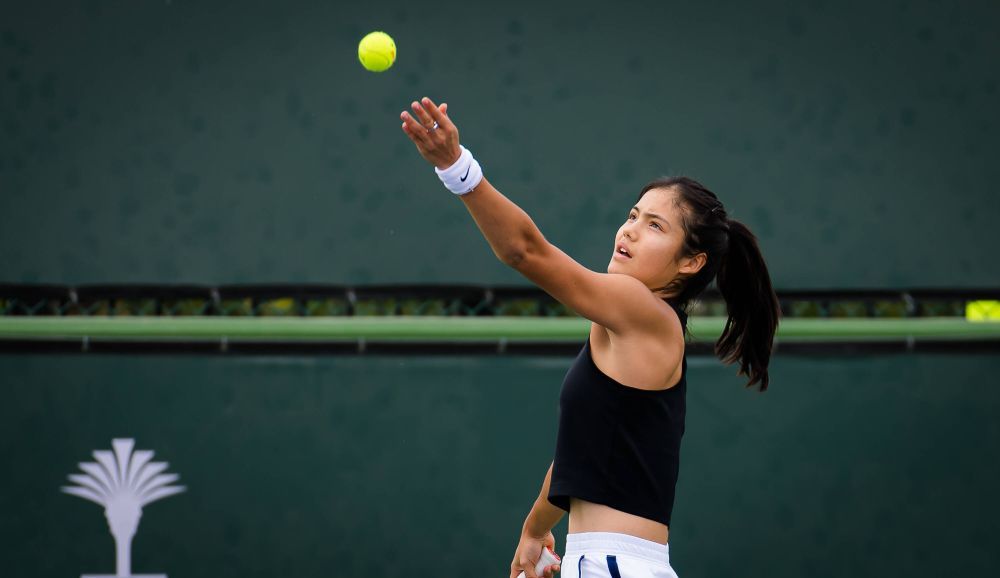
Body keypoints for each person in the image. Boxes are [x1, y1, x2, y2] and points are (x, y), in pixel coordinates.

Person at [400, 97, 780, 578]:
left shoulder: (645, 311)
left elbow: (525, 252)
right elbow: (580, 452)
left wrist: (458, 168)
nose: (631, 230)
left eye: (655, 226)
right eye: (634, 215)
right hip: (607, 561)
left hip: (613, 563)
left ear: (691, 262)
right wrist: (535, 529)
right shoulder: (622, 324)